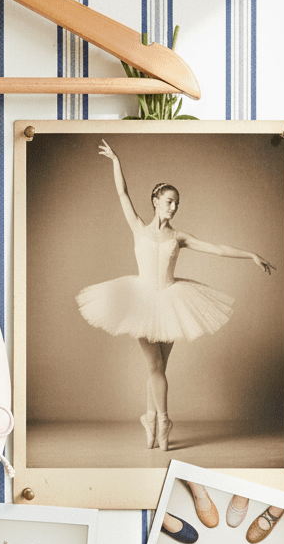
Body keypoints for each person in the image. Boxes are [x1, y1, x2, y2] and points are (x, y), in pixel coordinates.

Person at [76, 139, 273, 451]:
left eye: (177, 203)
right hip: (139, 300)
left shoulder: (179, 236)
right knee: (155, 367)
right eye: (169, 201)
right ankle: (164, 420)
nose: (174, 207)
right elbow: (122, 194)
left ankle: (150, 418)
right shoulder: (138, 227)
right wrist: (116, 160)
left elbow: (217, 249)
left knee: (158, 369)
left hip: (171, 300)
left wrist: (250, 254)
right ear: (156, 200)